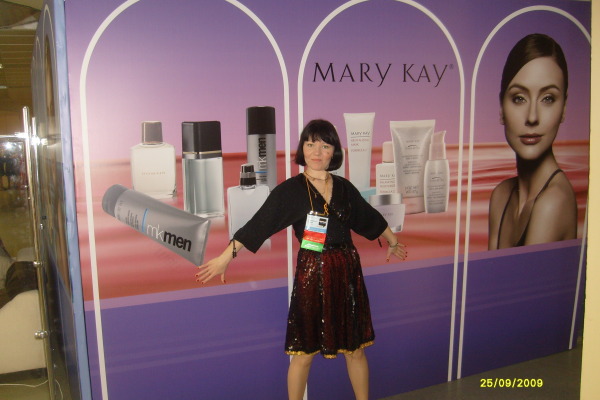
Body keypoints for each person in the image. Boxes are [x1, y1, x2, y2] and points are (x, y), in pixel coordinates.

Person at [196, 119, 406, 400]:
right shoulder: (291, 190)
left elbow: (369, 218)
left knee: (355, 349)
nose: (317, 152)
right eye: (310, 144)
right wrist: (226, 258)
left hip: (347, 271)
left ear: (334, 152)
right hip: (312, 272)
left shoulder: (344, 188)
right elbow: (258, 225)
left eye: (325, 146)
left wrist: (393, 241)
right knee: (303, 353)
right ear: (302, 149)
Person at [488, 33, 577, 250]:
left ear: (564, 108)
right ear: (501, 109)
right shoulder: (501, 196)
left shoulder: (553, 202)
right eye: (519, 98)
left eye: (548, 99)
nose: (532, 117)